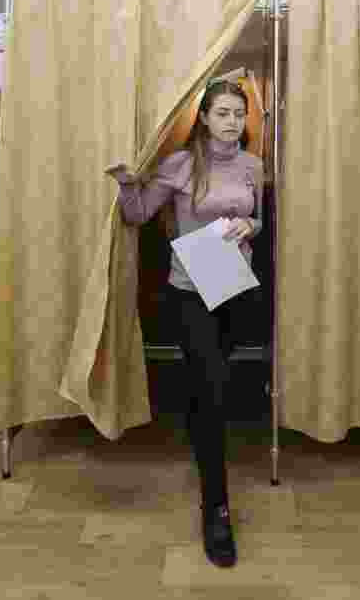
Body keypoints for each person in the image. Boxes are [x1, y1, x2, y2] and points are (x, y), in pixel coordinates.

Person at [106, 79, 265, 569]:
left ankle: (200, 431)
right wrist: (125, 181)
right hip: (190, 292)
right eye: (222, 113)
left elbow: (257, 219)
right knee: (213, 387)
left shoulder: (253, 165)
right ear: (205, 118)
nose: (232, 121)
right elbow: (137, 215)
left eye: (238, 113)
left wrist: (251, 225)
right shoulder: (180, 164)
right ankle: (216, 508)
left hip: (234, 287)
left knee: (210, 387)